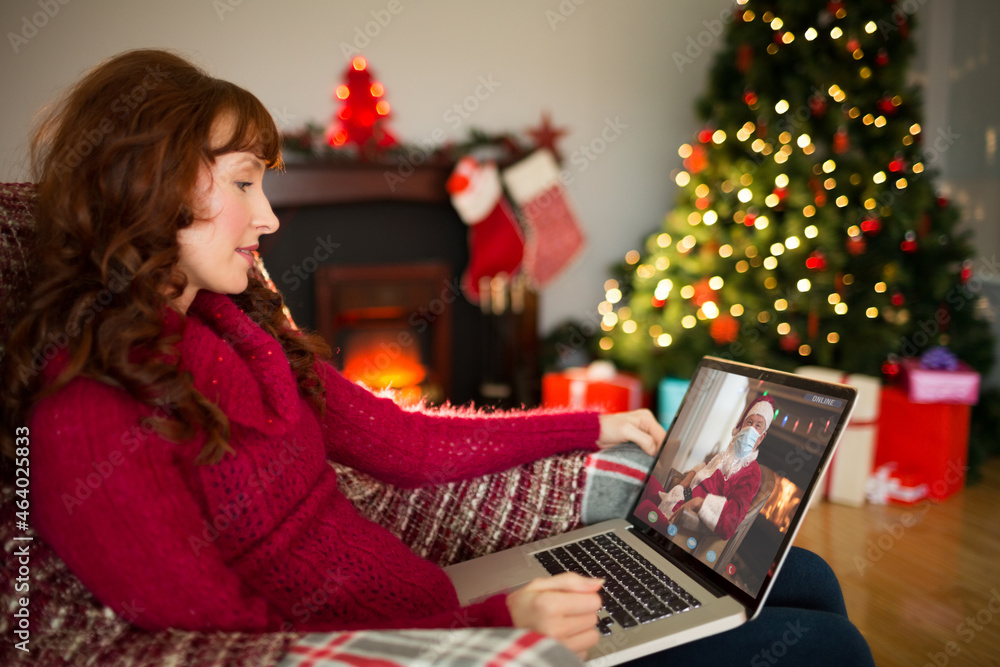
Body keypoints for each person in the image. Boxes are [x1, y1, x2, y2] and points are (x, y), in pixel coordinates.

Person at [0, 49, 873, 665]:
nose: (269, 217)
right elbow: (232, 646)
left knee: (807, 580)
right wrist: (501, 632)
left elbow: (400, 442)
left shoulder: (238, 326)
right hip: (456, 647)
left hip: (453, 607)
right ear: (145, 180)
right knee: (830, 644)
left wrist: (595, 422)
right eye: (241, 183)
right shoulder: (87, 410)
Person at [641, 395, 775, 539]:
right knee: (644, 480)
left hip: (683, 520)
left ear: (761, 437)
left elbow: (733, 517)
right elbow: (706, 467)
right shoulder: (726, 455)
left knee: (644, 509)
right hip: (677, 498)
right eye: (749, 422)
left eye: (758, 425)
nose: (751, 429)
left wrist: (699, 503)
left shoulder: (752, 472)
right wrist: (689, 477)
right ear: (742, 426)